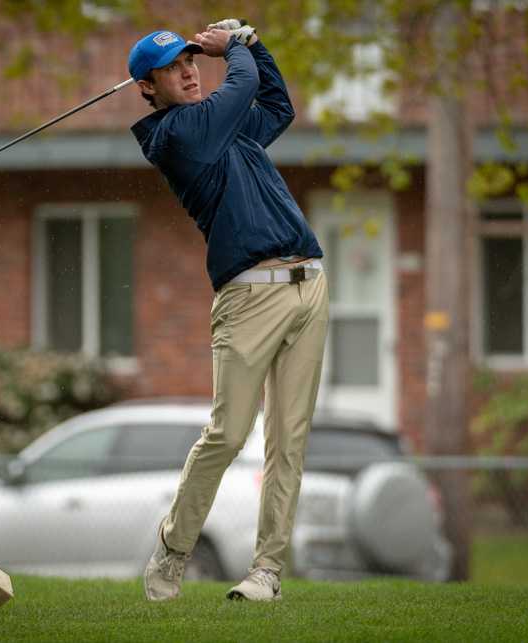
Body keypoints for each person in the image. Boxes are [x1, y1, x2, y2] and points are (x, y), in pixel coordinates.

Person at [128, 20, 329, 602]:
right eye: (174, 68)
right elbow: (238, 90)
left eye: (192, 60)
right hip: (247, 297)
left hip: (308, 283)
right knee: (228, 433)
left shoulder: (225, 128)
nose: (190, 71)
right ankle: (173, 548)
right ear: (148, 87)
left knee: (288, 440)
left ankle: (267, 572)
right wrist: (236, 47)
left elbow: (275, 105)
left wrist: (258, 49)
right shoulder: (178, 136)